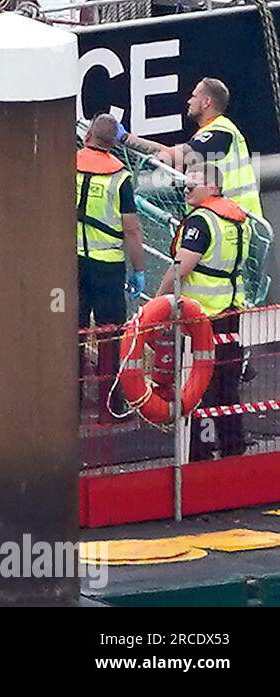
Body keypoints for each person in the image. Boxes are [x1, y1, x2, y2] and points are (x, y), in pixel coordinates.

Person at [156, 163, 249, 460]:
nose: (186, 189)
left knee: (199, 387)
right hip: (231, 312)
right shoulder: (237, 217)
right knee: (228, 388)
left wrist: (158, 302)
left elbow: (180, 268)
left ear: (212, 187)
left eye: (192, 184)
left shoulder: (201, 221)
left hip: (202, 319)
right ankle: (234, 450)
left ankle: (199, 455)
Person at [76, 114, 146, 423]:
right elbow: (131, 229)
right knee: (110, 336)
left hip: (72, 264)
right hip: (108, 267)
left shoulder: (67, 165)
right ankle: (111, 406)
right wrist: (139, 270)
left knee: (72, 334)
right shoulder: (120, 178)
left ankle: (71, 404)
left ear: (88, 133)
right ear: (115, 142)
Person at [121, 77, 262, 217]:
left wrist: (126, 139)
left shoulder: (219, 133)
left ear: (206, 102)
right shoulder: (210, 133)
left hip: (235, 219)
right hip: (225, 217)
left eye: (194, 96)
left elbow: (172, 155)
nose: (189, 101)